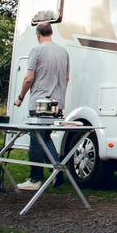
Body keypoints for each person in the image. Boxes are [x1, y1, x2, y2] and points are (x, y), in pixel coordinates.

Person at [13, 21, 70, 191]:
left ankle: (35, 179)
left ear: (38, 34)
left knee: (36, 141)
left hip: (38, 102)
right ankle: (56, 168)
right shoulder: (63, 52)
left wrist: (20, 97)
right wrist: (59, 98)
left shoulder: (36, 50)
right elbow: (66, 79)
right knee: (45, 138)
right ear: (51, 32)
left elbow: (29, 78)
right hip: (55, 104)